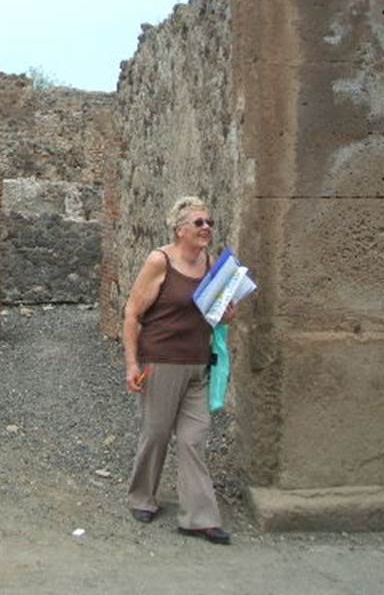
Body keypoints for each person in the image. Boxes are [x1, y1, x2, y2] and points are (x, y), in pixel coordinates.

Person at [122, 195, 235, 545]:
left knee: (194, 438)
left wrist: (228, 311)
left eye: (210, 223)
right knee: (156, 433)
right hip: (162, 361)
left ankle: (198, 518)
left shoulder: (212, 262)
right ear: (180, 229)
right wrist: (131, 363)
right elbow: (132, 314)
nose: (207, 228)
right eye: (199, 223)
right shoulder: (160, 261)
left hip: (198, 363)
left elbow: (218, 317)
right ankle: (141, 497)